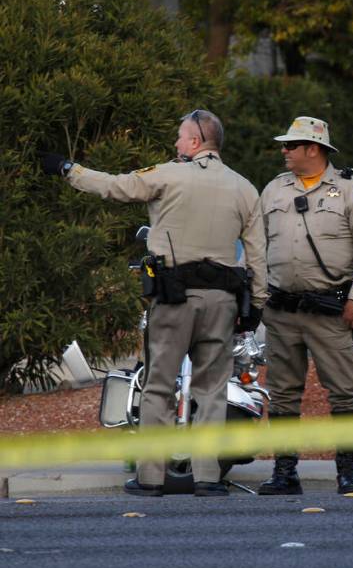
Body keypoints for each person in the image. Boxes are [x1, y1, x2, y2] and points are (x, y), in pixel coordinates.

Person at [40, 109, 268, 497]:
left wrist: (67, 168)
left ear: (196, 141)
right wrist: (257, 304)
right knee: (212, 390)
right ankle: (208, 478)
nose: (176, 144)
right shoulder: (245, 188)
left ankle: (150, 477)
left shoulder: (168, 174)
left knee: (159, 386)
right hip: (222, 301)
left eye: (180, 137)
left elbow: (114, 186)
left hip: (174, 298)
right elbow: (258, 253)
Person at [258, 116, 353, 495]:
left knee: (343, 391)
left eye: (291, 145)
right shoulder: (274, 190)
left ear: (313, 149)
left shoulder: (351, 191)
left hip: (330, 309)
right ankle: (285, 473)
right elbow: (256, 244)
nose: (284, 151)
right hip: (281, 309)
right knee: (281, 391)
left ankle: (348, 472)